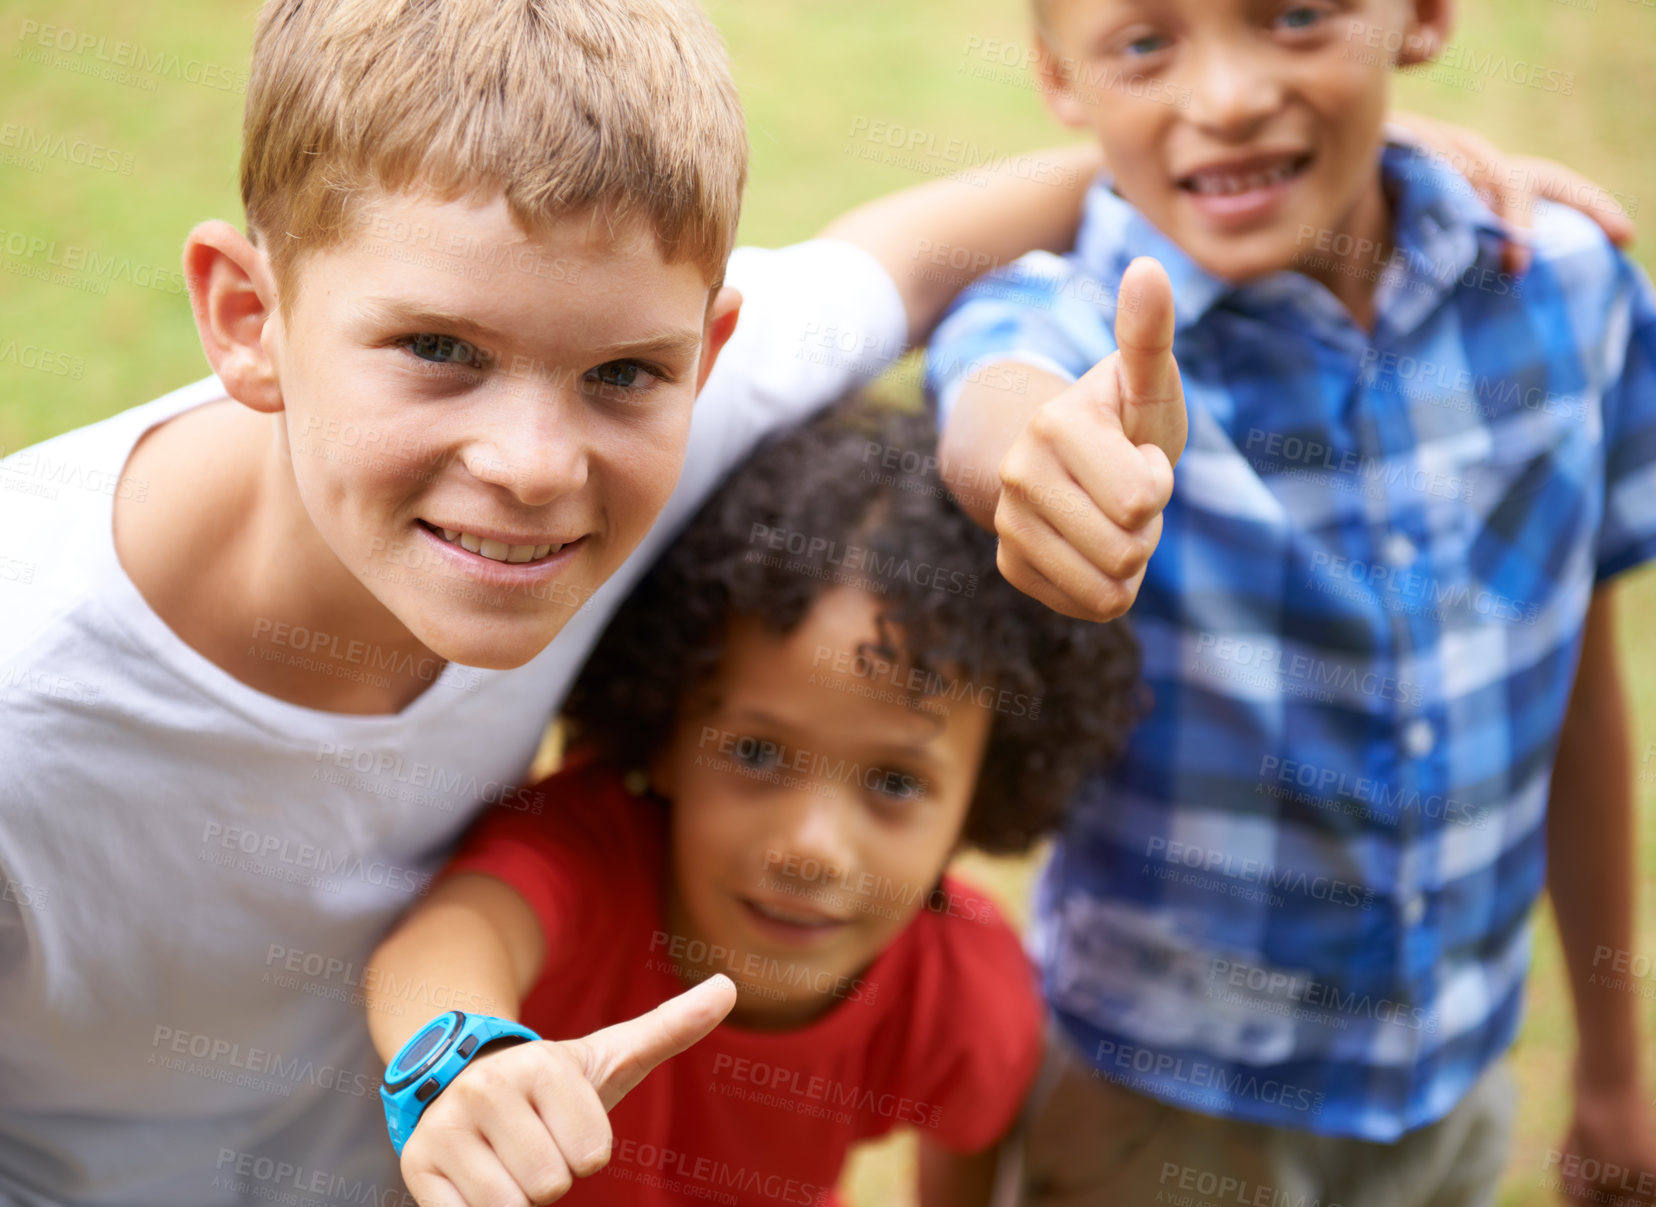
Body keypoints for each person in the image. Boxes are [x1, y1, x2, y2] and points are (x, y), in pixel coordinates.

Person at [0, 0, 1617, 1200]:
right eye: (437, 350)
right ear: (246, 314)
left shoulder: (686, 406)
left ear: (707, 353)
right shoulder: (27, 701)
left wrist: (1374, 178)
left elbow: (912, 261)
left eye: (624, 373)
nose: (533, 465)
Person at [925, 1, 1656, 1204]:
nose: (1224, 97)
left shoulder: (1570, 290)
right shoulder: (1075, 318)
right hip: (1157, 1115)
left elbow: (1578, 682)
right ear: (1061, 78)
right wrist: (1034, 448)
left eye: (1297, 16)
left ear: (1419, 18)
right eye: (1145, 43)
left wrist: (1616, 1069)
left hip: (1454, 1085)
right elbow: (998, 385)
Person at [362, 401, 1142, 1206]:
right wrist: (469, 1062)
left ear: (985, 788)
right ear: (665, 726)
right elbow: (444, 941)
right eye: (757, 753)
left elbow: (967, 1157)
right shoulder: (586, 854)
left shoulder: (963, 998)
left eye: (895, 782)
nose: (811, 845)